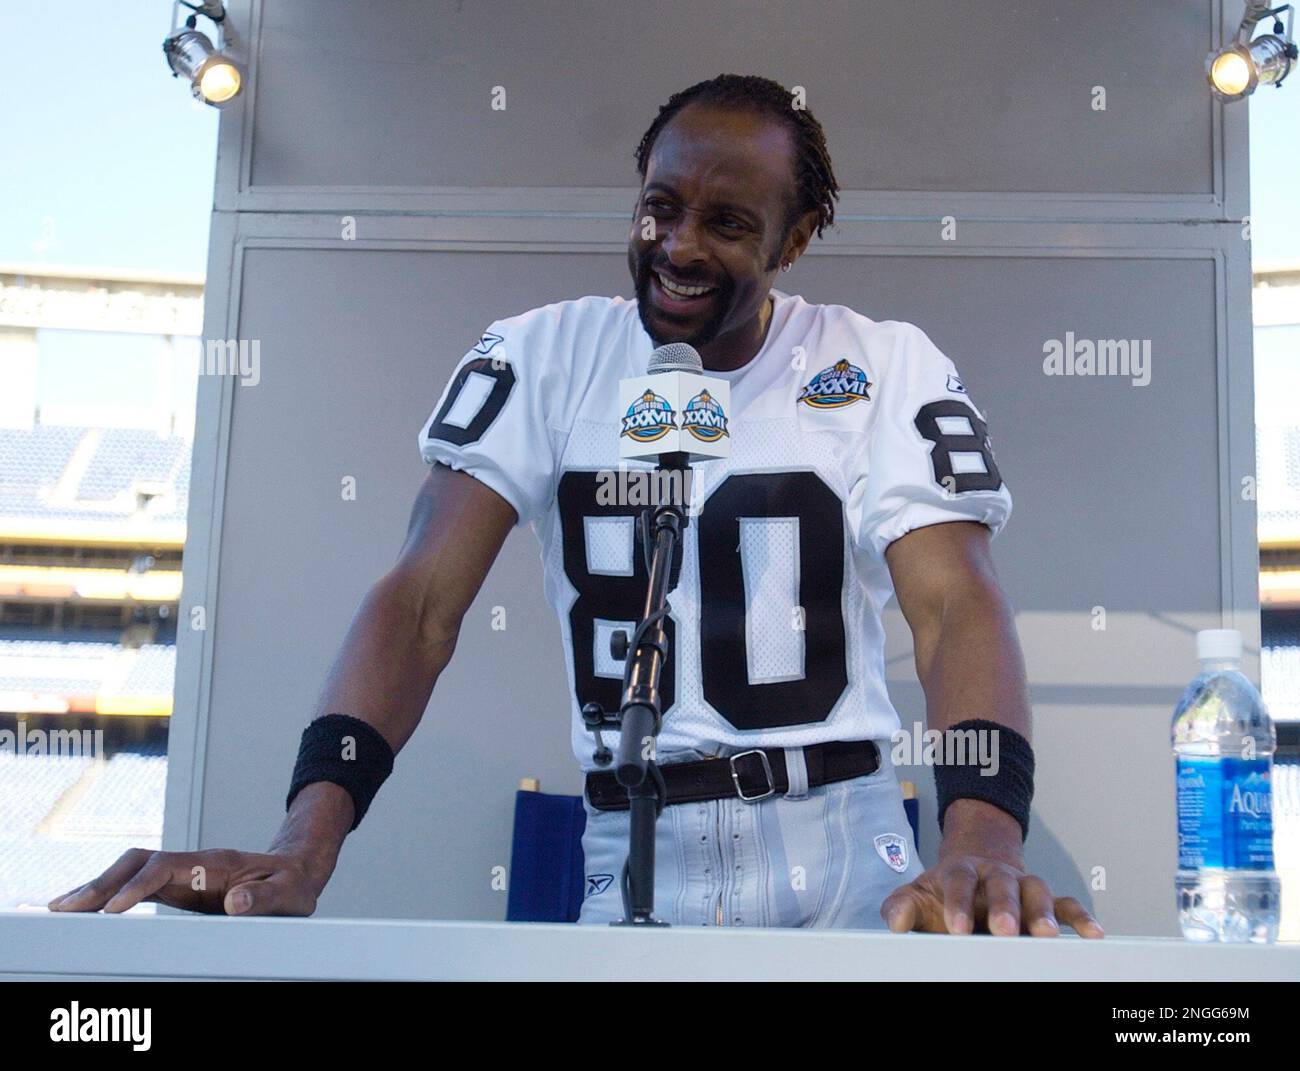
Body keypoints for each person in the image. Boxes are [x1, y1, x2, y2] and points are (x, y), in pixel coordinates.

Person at [50, 74, 1102, 937]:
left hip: (841, 837)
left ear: (796, 238)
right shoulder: (543, 355)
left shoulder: (881, 364)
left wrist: (981, 839)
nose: (680, 247)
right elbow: (419, 604)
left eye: (728, 223)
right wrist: (303, 844)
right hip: (630, 840)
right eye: (660, 205)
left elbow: (952, 609)